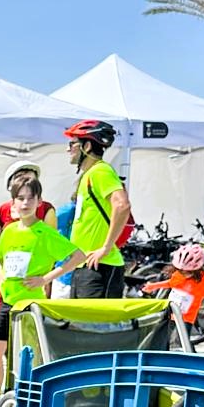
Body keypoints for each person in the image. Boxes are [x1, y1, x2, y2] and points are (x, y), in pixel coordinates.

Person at [0, 174, 86, 374]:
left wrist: (45, 279)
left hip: (30, 304)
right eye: (21, 198)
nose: (25, 203)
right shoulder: (9, 230)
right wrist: (1, 277)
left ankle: (25, 398)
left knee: (26, 357)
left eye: (30, 198)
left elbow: (78, 256)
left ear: (39, 202)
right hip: (8, 302)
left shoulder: (45, 232)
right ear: (13, 203)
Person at [0, 161, 56, 400]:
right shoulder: (3, 212)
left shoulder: (46, 210)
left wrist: (46, 281)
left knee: (25, 348)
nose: (25, 181)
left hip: (32, 290)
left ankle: (20, 398)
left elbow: (52, 252)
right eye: (19, 178)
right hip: (6, 288)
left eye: (30, 177)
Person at [64, 120, 131, 298]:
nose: (67, 149)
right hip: (85, 265)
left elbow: (122, 205)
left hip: (100, 266)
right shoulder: (89, 175)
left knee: (95, 325)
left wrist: (106, 247)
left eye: (72, 144)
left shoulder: (100, 171)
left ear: (86, 146)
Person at [145, 244, 204, 334]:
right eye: (181, 270)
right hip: (171, 314)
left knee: (181, 342)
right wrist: (154, 286)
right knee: (163, 339)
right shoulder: (178, 274)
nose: (184, 274)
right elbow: (170, 283)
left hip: (186, 319)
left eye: (188, 271)